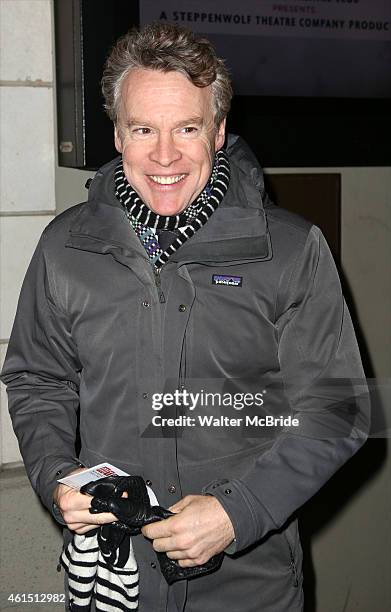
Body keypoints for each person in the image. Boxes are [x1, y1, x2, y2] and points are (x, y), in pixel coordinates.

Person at [1, 22, 369, 612]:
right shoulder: (65, 245)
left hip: (251, 586)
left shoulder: (292, 250)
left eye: (187, 129)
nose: (164, 155)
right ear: (117, 133)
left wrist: (235, 512)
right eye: (143, 128)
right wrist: (55, 477)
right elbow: (37, 379)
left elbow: (337, 410)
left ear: (218, 132)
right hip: (111, 582)